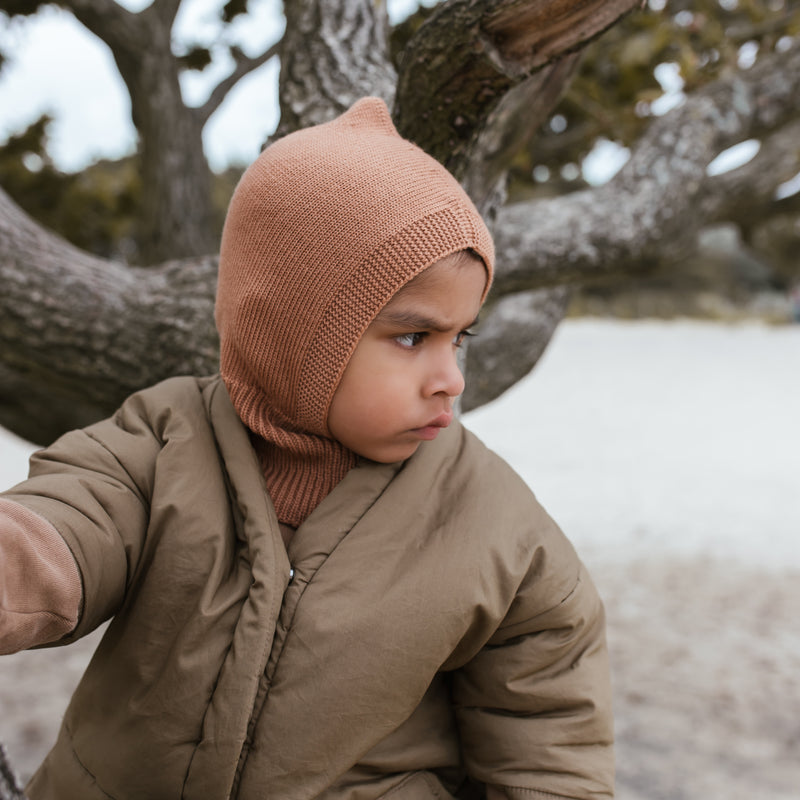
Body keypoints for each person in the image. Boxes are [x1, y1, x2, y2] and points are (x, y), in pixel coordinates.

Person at [0, 97, 614, 800]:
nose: (451, 379)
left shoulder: (498, 532)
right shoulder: (163, 439)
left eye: (460, 337)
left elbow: (549, 745)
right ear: (293, 332)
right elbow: (67, 524)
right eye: (413, 338)